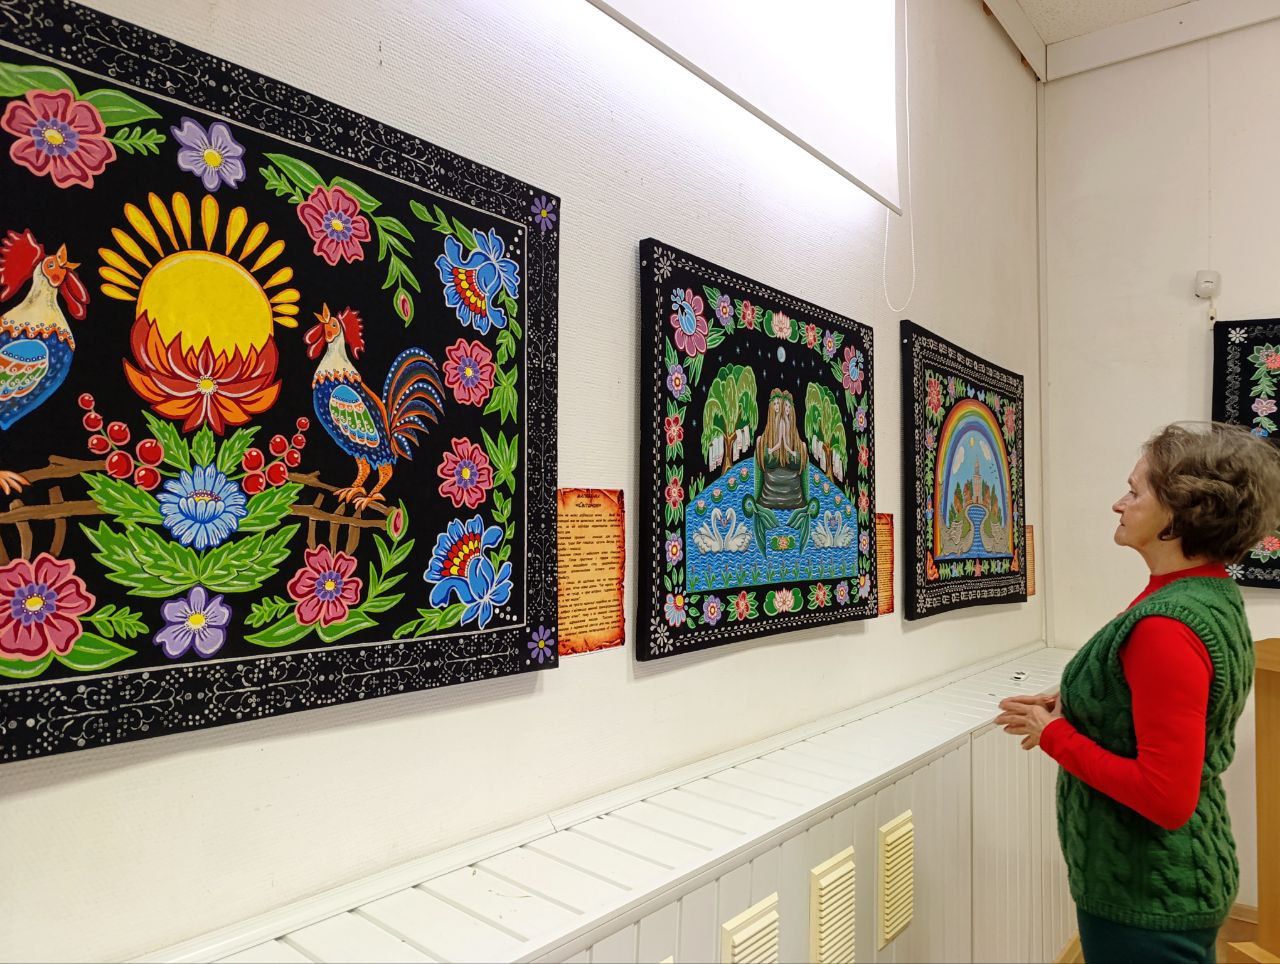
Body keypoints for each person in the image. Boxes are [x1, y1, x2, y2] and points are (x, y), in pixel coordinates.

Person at [995, 422, 1280, 963]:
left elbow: (1165, 798)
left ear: (1180, 513)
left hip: (1148, 890)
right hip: (1165, 877)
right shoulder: (1205, 593)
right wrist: (1072, 705)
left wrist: (1054, 735)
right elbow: (1152, 699)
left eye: (1134, 492)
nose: (1118, 504)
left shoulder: (1166, 625)